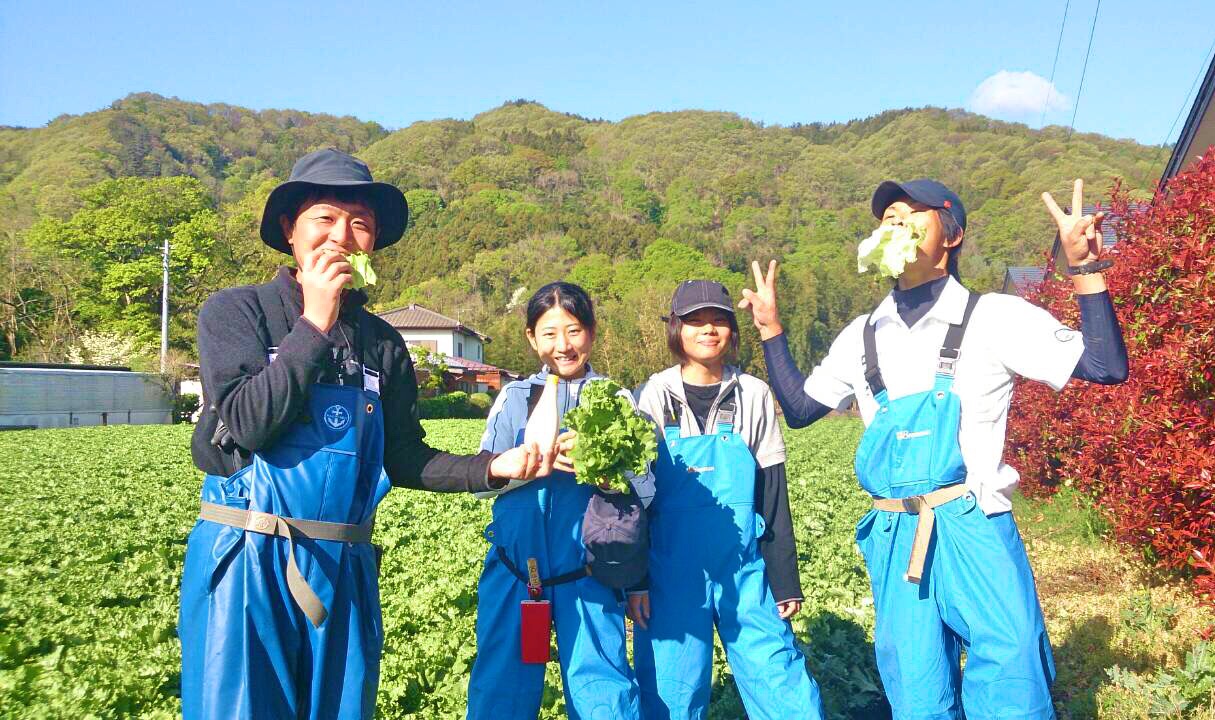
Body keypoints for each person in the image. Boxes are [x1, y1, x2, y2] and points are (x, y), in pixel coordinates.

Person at [738, 178, 1128, 720]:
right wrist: (772, 331)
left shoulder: (994, 315)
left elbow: (1106, 367)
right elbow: (802, 411)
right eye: (889, 215)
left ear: (953, 235)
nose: (896, 221)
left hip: (974, 521)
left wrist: (1085, 270)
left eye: (914, 212)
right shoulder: (862, 333)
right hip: (896, 532)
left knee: (1010, 671)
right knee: (917, 687)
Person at [180, 148, 548, 720]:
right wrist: (315, 321)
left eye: (360, 224)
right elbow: (249, 423)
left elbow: (402, 458)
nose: (341, 236)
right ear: (289, 229)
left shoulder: (382, 343)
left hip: (342, 564)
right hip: (249, 557)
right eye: (324, 218)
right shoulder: (237, 313)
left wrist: (494, 466)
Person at [630, 280, 825, 720]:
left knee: (782, 683)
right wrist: (636, 580)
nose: (708, 329)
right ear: (676, 329)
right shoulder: (651, 396)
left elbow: (772, 492)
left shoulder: (753, 393)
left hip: (744, 571)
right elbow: (636, 500)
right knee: (671, 693)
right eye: (695, 321)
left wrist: (784, 579)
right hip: (670, 574)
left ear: (733, 330)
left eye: (719, 319)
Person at [466, 281, 656, 720]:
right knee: (500, 688)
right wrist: (527, 464)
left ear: (591, 332)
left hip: (589, 574)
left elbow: (645, 491)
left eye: (573, 330)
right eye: (549, 333)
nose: (563, 345)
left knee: (602, 689)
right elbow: (481, 477)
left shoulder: (617, 399)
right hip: (516, 572)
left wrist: (607, 473)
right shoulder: (515, 397)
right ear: (532, 339)